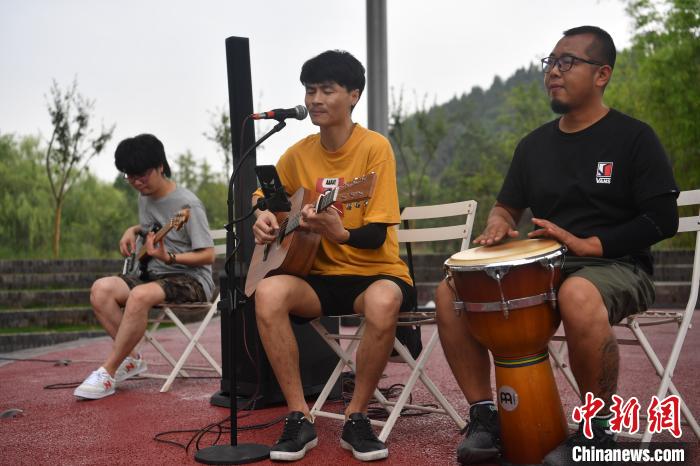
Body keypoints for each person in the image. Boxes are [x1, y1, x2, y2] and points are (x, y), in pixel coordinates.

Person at [435, 26, 679, 465]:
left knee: (578, 292)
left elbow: (663, 219)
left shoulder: (634, 138)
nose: (553, 72)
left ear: (602, 74)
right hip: (545, 268)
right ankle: (485, 416)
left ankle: (596, 432)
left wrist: (591, 245)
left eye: (567, 62)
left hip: (617, 266)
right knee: (451, 292)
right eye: (550, 63)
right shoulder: (533, 146)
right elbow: (506, 208)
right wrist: (497, 226)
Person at [251, 50, 415, 462]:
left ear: (354, 95)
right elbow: (264, 194)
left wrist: (339, 233)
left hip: (373, 273)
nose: (315, 99)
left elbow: (376, 236)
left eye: (328, 90)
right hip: (317, 277)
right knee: (268, 294)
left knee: (383, 300)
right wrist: (264, 217)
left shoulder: (375, 149)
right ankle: (298, 416)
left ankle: (357, 416)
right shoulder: (299, 152)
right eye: (310, 91)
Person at [74, 134, 215, 400]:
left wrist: (169, 257)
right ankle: (131, 358)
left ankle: (109, 370)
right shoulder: (144, 197)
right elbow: (152, 228)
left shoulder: (188, 205)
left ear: (160, 166)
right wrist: (133, 230)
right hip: (152, 276)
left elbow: (208, 256)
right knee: (101, 289)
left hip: (191, 280)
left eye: (142, 175)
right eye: (130, 177)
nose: (137, 183)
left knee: (140, 295)